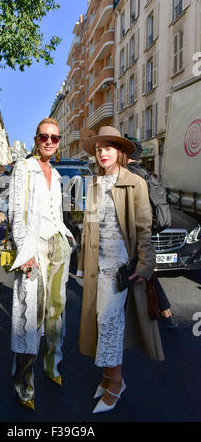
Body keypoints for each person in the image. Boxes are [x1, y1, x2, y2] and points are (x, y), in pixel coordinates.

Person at [77, 126, 164, 414]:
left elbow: (144, 229)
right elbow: (87, 232)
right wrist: (81, 264)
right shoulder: (92, 185)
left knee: (108, 322)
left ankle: (116, 382)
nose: (102, 153)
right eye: (99, 148)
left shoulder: (134, 183)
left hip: (119, 269)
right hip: (95, 268)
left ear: (120, 152)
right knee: (98, 322)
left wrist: (145, 265)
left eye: (109, 148)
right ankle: (107, 375)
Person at [8, 117, 74, 410]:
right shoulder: (24, 168)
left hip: (58, 245)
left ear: (59, 142)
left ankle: (52, 366)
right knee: (31, 316)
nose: (49, 141)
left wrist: (67, 235)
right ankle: (23, 382)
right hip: (33, 248)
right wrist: (24, 251)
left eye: (54, 138)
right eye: (44, 137)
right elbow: (16, 212)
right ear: (36, 140)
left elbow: (56, 212)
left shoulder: (57, 174)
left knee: (56, 311)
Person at [126, 139, 178, 328]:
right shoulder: (147, 172)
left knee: (142, 272)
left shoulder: (130, 175)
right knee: (144, 271)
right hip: (150, 228)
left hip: (137, 231)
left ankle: (163, 315)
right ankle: (165, 314)